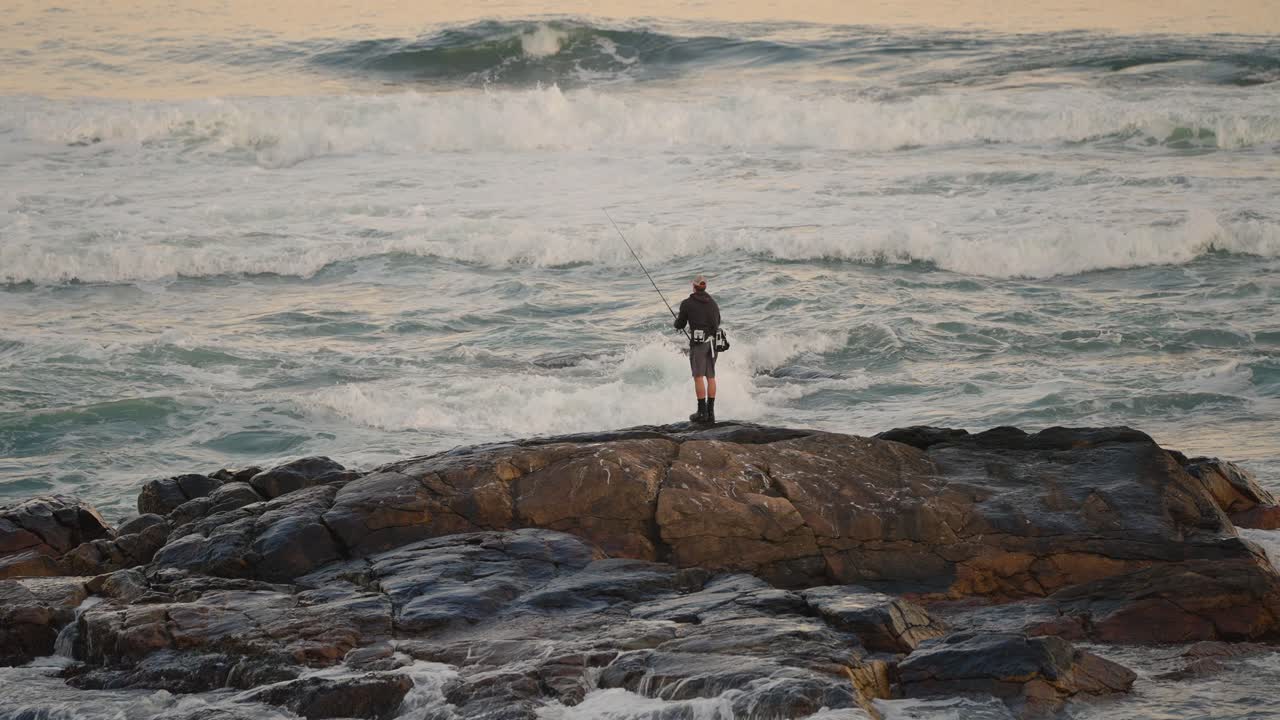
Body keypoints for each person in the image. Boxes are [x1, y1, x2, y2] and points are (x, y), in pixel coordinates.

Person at [674, 274, 721, 424]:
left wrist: (677, 323)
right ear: (705, 287)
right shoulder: (713, 303)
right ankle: (711, 413)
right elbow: (717, 322)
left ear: (693, 286)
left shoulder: (687, 303)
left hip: (699, 344)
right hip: (713, 343)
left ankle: (701, 413)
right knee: (711, 377)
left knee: (698, 377)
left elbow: (680, 324)